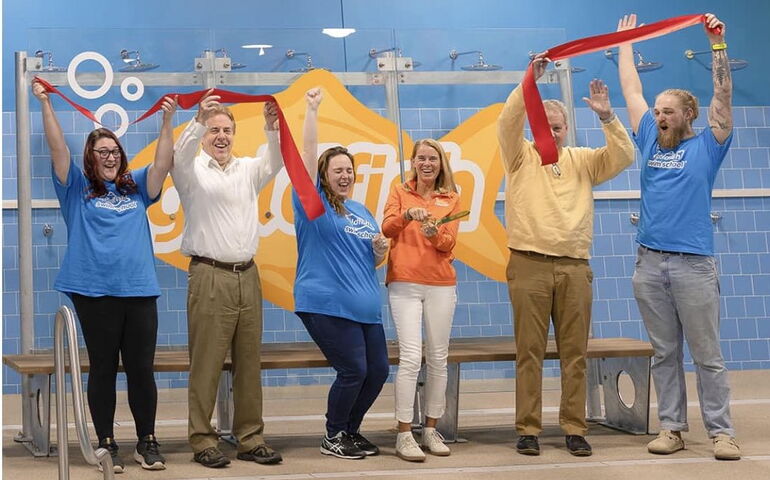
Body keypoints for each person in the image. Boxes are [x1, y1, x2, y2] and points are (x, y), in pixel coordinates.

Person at [32, 79, 176, 473]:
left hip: (139, 290)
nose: (110, 157)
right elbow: (57, 148)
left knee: (141, 368)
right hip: (94, 292)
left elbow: (163, 163)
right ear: (91, 158)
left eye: (114, 151)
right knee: (103, 367)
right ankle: (106, 443)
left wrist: (168, 120)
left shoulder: (135, 189)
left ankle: (147, 440)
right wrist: (46, 104)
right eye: (102, 152)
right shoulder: (76, 189)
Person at [616, 13, 740, 461]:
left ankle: (722, 432)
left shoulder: (709, 144)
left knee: (707, 355)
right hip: (649, 263)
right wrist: (626, 43)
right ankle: (672, 428)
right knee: (665, 353)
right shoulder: (649, 136)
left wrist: (717, 45)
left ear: (688, 114)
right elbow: (632, 90)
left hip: (693, 265)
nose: (659, 116)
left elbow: (722, 96)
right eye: (657, 110)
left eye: (668, 111)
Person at [497, 58, 635, 457]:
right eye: (546, 125)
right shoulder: (519, 155)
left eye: (557, 127)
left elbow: (624, 156)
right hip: (528, 264)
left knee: (575, 354)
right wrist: (529, 83)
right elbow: (508, 120)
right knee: (530, 354)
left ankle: (575, 427)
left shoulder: (584, 161)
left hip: (575, 267)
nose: (552, 132)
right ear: (535, 125)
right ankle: (528, 429)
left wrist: (609, 117)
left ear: (567, 129)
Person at [172, 91, 284, 467]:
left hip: (247, 277)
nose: (221, 136)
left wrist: (272, 129)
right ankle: (203, 439)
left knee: (249, 363)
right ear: (205, 136)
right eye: (214, 130)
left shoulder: (247, 170)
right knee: (206, 363)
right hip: (210, 275)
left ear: (235, 135)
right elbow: (178, 155)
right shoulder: (192, 171)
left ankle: (250, 438)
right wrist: (198, 118)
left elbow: (277, 161)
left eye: (226, 130)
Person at [294, 87, 390, 460]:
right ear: (324, 175)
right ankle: (334, 435)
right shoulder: (312, 206)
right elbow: (306, 159)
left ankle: (350, 430)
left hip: (366, 310)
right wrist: (312, 110)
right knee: (353, 370)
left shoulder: (361, 211)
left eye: (349, 170)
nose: (345, 175)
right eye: (337, 170)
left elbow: (371, 260)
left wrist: (380, 252)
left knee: (377, 371)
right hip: (326, 304)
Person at [381, 139, 461, 462]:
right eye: (421, 158)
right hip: (404, 283)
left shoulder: (451, 198)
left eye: (433, 159)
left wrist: (433, 234)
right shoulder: (399, 192)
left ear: (441, 164)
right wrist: (406, 216)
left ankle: (430, 429)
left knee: (439, 358)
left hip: (441, 284)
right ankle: (403, 433)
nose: (427, 163)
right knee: (412, 357)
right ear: (413, 162)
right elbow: (387, 228)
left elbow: (449, 243)